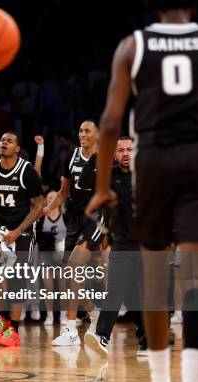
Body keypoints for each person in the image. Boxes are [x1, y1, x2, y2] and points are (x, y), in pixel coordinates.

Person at [86, 1, 198, 382]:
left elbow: (111, 123)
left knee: (153, 278)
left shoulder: (133, 46)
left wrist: (101, 187)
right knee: (196, 277)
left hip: (154, 164)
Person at [83, 137, 146, 356]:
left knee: (139, 296)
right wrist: (106, 236)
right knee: (116, 291)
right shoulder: (108, 177)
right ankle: (102, 335)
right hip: (121, 243)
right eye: (120, 150)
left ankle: (147, 340)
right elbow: (93, 210)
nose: (126, 154)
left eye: (130, 149)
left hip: (146, 245)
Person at [0, 131, 44, 347]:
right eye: (2, 141)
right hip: (0, 230)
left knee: (17, 279)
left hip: (23, 231)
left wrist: (18, 231)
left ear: (17, 148)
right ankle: (4, 320)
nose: (4, 143)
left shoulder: (27, 172)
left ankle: (14, 331)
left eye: (9, 141)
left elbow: (39, 205)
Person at [44, 119, 102, 346]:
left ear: (97, 134)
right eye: (80, 130)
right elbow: (64, 191)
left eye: (87, 130)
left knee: (74, 268)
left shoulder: (106, 157)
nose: (82, 134)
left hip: (97, 219)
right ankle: (94, 312)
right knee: (70, 278)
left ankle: (70, 331)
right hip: (74, 219)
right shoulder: (72, 156)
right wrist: (49, 207)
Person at [36, 190, 67, 326]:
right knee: (48, 288)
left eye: (53, 197)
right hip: (47, 256)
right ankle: (49, 315)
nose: (51, 200)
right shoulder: (42, 217)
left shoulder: (65, 216)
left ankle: (63, 315)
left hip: (62, 257)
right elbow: (38, 237)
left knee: (63, 287)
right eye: (48, 198)